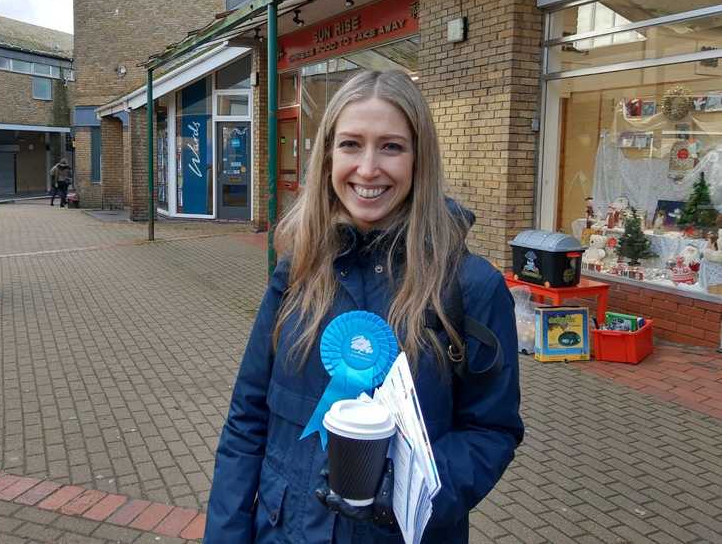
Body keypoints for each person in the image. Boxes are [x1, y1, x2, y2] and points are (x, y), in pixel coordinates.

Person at [204, 71, 523, 543]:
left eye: (391, 147)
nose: (368, 168)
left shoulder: (470, 286)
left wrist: (415, 496)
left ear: (419, 160)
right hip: (285, 531)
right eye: (351, 144)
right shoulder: (298, 271)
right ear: (329, 155)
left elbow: (492, 429)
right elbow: (247, 419)